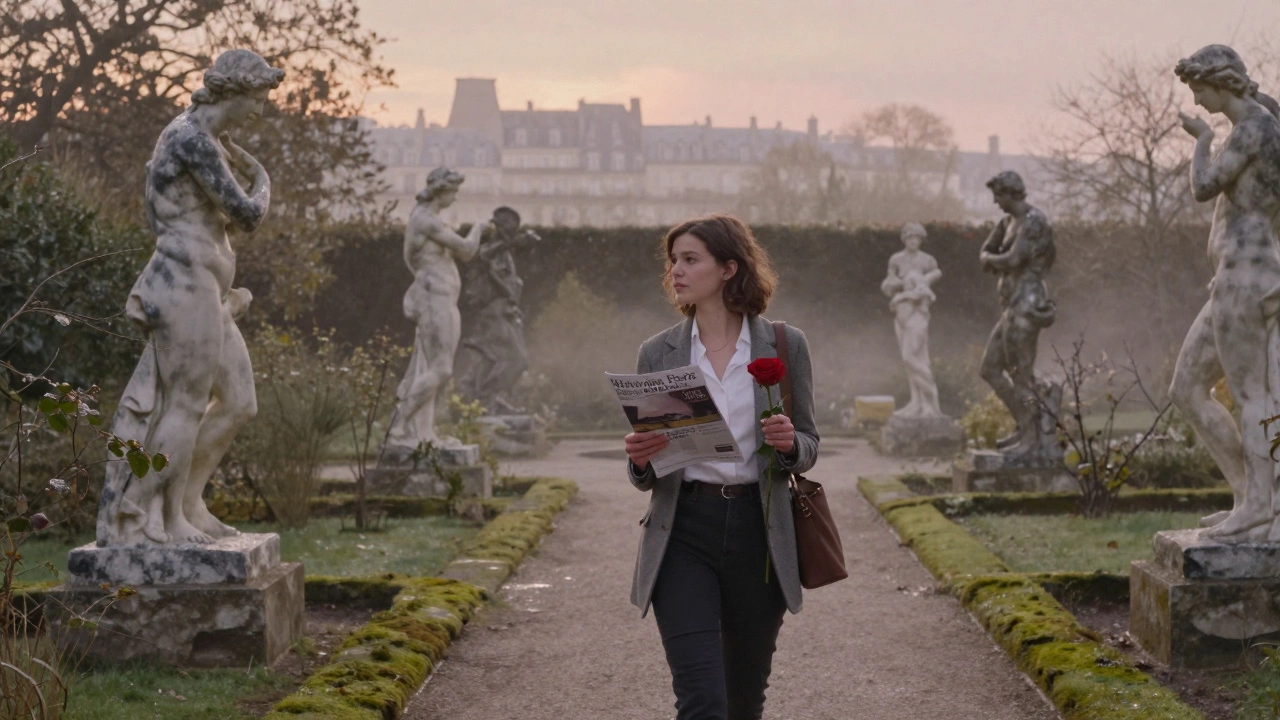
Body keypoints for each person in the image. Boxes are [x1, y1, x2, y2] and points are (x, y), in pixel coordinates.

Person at [623, 214, 819, 720]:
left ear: (729, 268)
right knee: (702, 701)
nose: (676, 272)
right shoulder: (659, 352)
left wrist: (788, 442)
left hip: (759, 534)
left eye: (690, 260)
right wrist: (641, 460)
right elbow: (650, 471)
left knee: (742, 699)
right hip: (683, 530)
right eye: (673, 262)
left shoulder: (783, 344)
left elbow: (810, 443)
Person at [98, 49, 284, 546]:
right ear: (235, 91)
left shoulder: (211, 141)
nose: (261, 110)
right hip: (183, 284)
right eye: (259, 98)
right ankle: (149, 516)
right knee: (184, 404)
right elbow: (246, 214)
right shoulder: (190, 138)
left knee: (240, 403)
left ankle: (187, 503)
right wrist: (263, 180)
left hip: (208, 289)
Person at [1169, 44, 1280, 541]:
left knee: (1252, 393)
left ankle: (1260, 509)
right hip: (1232, 278)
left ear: (1221, 82)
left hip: (1248, 278)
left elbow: (1204, 185)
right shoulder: (1260, 124)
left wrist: (1201, 140)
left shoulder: (1254, 128)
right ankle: (1248, 497)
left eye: (1199, 90)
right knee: (1187, 388)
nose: (1196, 100)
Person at [385, 167, 490, 451]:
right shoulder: (425, 221)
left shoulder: (429, 221)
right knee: (441, 369)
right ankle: (398, 425)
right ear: (441, 191)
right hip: (435, 299)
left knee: (429, 369)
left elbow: (413, 260)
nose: (455, 199)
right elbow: (467, 251)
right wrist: (479, 227)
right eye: (453, 193)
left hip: (440, 298)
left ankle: (424, 435)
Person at [977, 170, 1058, 457]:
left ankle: (1034, 439)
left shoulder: (1034, 221)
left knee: (1020, 374)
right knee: (990, 368)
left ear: (1012, 192)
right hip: (1012, 304)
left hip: (1027, 303)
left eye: (999, 195)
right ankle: (1025, 426)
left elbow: (1012, 259)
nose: (996, 202)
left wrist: (991, 260)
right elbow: (986, 250)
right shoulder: (1008, 222)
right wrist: (991, 258)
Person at [881, 221, 943, 418]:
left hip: (917, 315)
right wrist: (900, 284)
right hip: (901, 315)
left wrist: (920, 282)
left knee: (915, 357)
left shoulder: (927, 261)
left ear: (921, 240)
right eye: (910, 237)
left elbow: (934, 276)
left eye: (917, 238)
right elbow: (888, 284)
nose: (913, 241)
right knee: (909, 362)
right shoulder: (897, 259)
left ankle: (931, 400)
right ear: (905, 239)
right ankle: (916, 402)